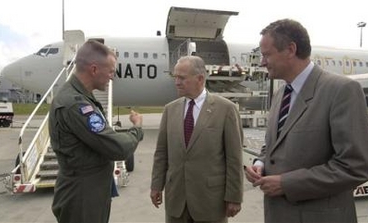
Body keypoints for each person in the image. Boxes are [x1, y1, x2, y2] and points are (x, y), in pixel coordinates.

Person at [244, 19, 368, 223]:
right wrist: (260, 163)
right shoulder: (280, 94)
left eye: (267, 54)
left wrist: (287, 184)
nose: (261, 62)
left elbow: (357, 166)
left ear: (290, 49)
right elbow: (274, 146)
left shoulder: (340, 91)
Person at [48, 40, 144, 223]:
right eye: (110, 72)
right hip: (82, 196)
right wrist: (136, 129)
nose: (112, 77)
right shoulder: (75, 103)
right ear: (94, 70)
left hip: (89, 191)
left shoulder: (81, 97)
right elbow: (118, 148)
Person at [150, 55, 244, 223]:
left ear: (200, 79)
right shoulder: (170, 110)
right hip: (176, 200)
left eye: (182, 77)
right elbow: (161, 153)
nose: (176, 82)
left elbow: (234, 158)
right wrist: (157, 185)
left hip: (210, 201)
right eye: (175, 77)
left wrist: (234, 196)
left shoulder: (226, 109)